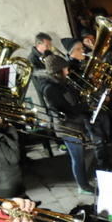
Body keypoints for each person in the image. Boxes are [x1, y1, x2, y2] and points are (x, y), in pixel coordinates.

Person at [41, 55, 96, 194]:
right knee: (77, 158)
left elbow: (73, 101)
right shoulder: (50, 89)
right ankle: (83, 186)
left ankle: (83, 182)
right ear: (57, 71)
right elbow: (66, 110)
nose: (67, 71)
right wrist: (85, 106)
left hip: (75, 124)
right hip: (67, 127)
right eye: (65, 69)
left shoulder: (62, 83)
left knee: (80, 156)